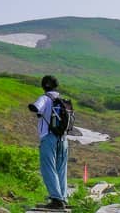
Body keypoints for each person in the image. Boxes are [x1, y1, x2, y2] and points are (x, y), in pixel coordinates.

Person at [28, 75, 68, 210]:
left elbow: (36, 107)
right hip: (63, 139)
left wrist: (33, 107)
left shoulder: (45, 98)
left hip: (49, 137)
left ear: (44, 85)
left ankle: (56, 199)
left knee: (48, 168)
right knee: (61, 168)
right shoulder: (62, 100)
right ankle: (63, 197)